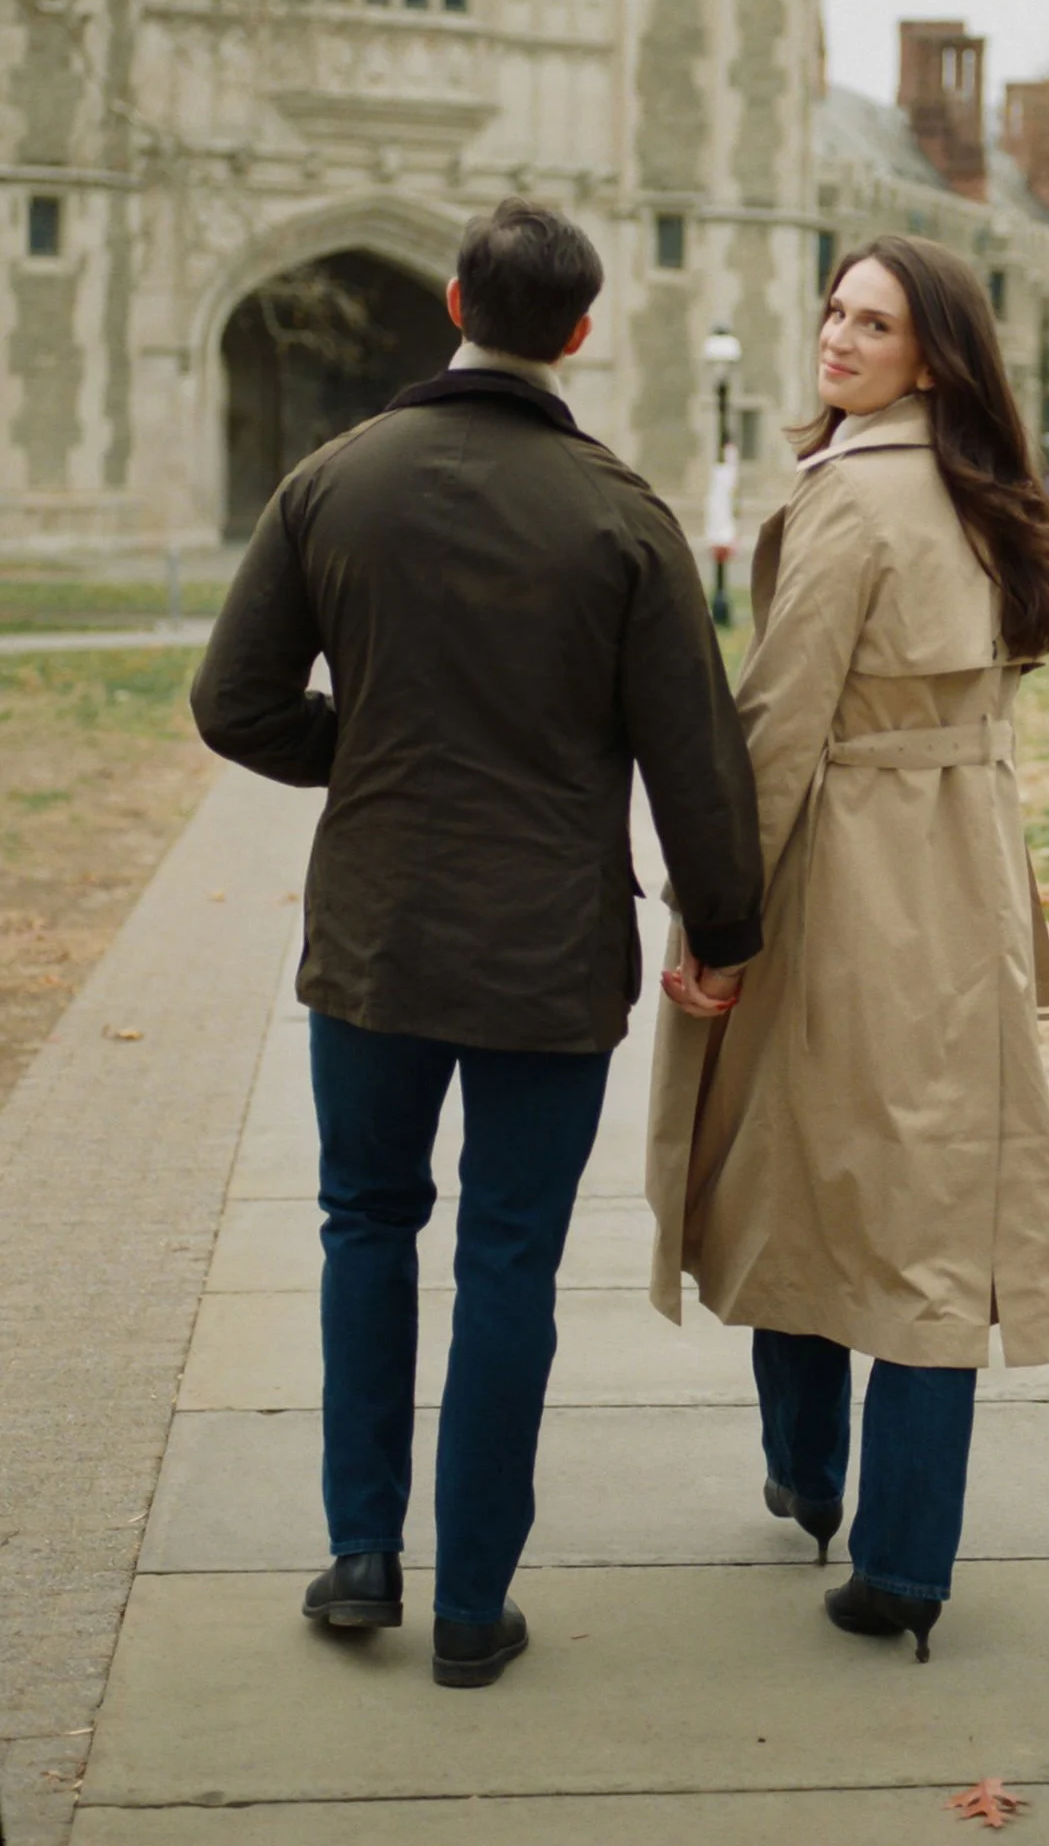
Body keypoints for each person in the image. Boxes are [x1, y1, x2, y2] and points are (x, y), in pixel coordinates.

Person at [192, 199, 761, 1688]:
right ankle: (472, 1607)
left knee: (365, 1225)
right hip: (546, 952)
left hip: (376, 933)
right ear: (578, 334)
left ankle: (361, 1552)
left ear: (450, 300)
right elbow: (693, 763)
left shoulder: (333, 483)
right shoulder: (621, 515)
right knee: (509, 1263)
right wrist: (729, 930)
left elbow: (234, 705)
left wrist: (366, 750)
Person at [648, 233, 1049, 1663]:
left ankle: (821, 1484)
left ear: (931, 353)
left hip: (849, 880)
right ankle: (894, 1549)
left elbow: (777, 727)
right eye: (834, 310)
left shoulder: (852, 501)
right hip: (962, 877)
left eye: (874, 321)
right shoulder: (993, 494)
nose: (837, 338)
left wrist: (719, 920)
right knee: (933, 1218)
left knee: (795, 1174)